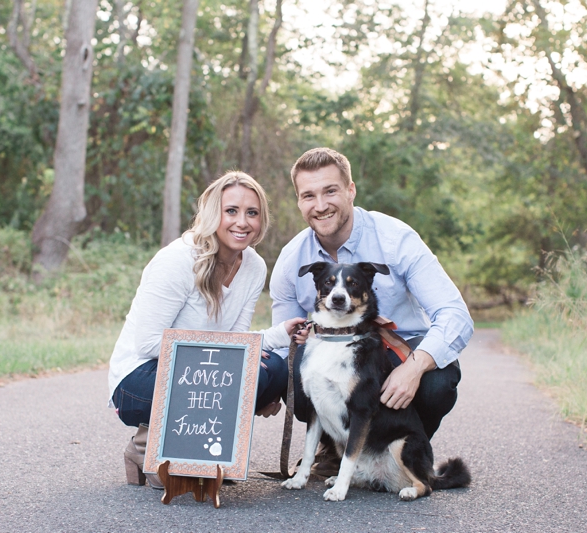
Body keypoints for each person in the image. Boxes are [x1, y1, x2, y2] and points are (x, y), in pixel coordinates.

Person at [270, 147, 474, 475]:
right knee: (297, 377)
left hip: (397, 354)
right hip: (335, 357)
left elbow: (454, 313)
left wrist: (415, 367)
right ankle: (335, 448)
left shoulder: (396, 239)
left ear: (351, 190)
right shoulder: (293, 257)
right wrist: (272, 383)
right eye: (308, 195)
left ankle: (405, 447)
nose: (320, 206)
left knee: (437, 382)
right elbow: (284, 339)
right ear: (298, 200)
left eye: (330, 191)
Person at [108, 171, 305, 489]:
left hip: (197, 373)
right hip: (138, 379)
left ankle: (199, 452)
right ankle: (148, 446)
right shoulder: (177, 259)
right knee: (235, 373)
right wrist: (232, 367)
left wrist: (280, 334)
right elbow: (146, 343)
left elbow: (235, 341)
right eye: (231, 211)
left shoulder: (253, 266)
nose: (242, 222)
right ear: (214, 213)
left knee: (275, 369)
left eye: (251, 213)